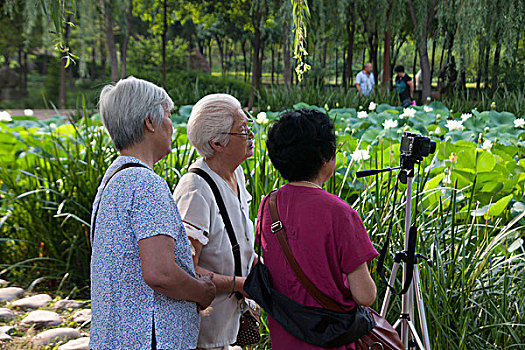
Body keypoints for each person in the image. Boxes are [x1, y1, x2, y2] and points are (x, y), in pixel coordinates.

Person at [90, 77, 216, 350]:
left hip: (115, 337)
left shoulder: (113, 179)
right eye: (168, 116)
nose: (172, 126)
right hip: (149, 340)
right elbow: (160, 273)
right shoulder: (146, 184)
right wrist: (202, 292)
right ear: (150, 122)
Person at [259, 109, 378, 350]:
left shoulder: (267, 206)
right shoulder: (341, 214)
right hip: (331, 342)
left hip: (284, 339)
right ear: (326, 157)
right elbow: (365, 295)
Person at [173, 94, 256, 350]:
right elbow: (184, 268)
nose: (251, 134)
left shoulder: (236, 174)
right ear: (217, 143)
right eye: (243, 130)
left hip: (231, 325)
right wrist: (238, 284)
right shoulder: (195, 190)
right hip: (205, 334)